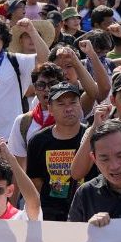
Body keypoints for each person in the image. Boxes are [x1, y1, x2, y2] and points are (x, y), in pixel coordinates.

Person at [26, 82, 87, 221]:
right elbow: (35, 182)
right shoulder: (37, 141)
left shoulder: (93, 136)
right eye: (61, 104)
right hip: (51, 217)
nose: (68, 109)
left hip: (88, 212)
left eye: (73, 103)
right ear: (50, 109)